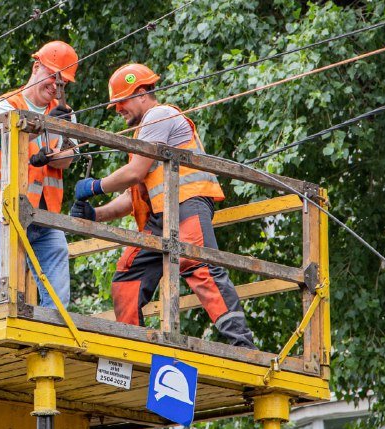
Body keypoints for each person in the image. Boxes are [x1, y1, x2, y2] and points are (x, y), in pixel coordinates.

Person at [70, 63, 255, 348]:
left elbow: (134, 173)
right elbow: (133, 195)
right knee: (127, 276)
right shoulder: (145, 133)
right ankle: (134, 345)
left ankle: (243, 346)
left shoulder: (159, 115)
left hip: (187, 204)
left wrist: (96, 186)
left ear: (142, 93)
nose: (118, 110)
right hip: (161, 218)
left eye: (121, 102)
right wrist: (96, 214)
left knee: (200, 267)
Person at [0, 40, 79, 308]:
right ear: (36, 68)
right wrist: (44, 127)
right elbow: (3, 140)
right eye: (52, 77)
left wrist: (56, 134)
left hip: (45, 213)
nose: (56, 87)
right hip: (5, 209)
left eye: (62, 83)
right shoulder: (7, 105)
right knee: (2, 286)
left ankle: (54, 327)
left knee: (58, 284)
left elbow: (67, 160)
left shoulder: (65, 114)